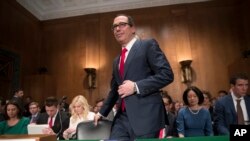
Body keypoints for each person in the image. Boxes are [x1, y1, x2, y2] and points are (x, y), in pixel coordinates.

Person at [94, 14, 174, 140]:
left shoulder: (147, 45)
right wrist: (101, 112)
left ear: (133, 29)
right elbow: (115, 90)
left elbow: (167, 75)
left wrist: (136, 86)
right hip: (122, 119)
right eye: (114, 26)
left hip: (147, 117)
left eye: (122, 25)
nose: (117, 29)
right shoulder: (116, 61)